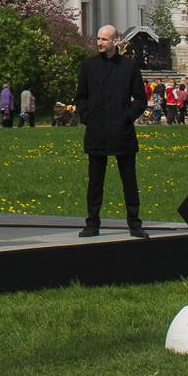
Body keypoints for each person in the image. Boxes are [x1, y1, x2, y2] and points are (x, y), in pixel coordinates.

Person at [74, 22, 144, 237]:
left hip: (121, 131)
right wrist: (87, 117)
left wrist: (126, 117)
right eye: (98, 39)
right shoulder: (89, 65)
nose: (100, 43)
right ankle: (92, 224)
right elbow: (81, 97)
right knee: (95, 181)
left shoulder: (129, 67)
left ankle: (134, 225)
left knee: (129, 181)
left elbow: (141, 99)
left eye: (104, 39)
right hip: (96, 131)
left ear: (116, 42)